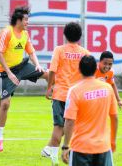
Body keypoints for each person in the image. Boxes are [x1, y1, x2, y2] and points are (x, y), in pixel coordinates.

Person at [0, 6, 49, 152]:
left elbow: (31, 51)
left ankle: (53, 95)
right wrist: (10, 73)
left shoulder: (25, 33)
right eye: (26, 19)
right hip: (6, 72)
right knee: (5, 103)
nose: (28, 22)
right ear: (18, 20)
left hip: (22, 67)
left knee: (49, 74)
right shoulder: (6, 32)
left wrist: (37, 65)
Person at [41, 22, 89, 165]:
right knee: (72, 126)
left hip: (60, 94)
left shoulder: (59, 50)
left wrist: (49, 87)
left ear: (65, 35)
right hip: (77, 96)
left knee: (58, 126)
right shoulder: (85, 53)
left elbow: (52, 70)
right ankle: (67, 154)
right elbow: (88, 74)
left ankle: (54, 158)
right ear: (80, 36)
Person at [62, 55, 118, 165]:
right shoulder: (107, 88)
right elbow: (114, 117)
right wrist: (112, 141)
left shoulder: (74, 91)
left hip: (80, 147)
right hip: (103, 146)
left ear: (79, 69)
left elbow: (69, 121)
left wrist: (65, 146)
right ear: (95, 68)